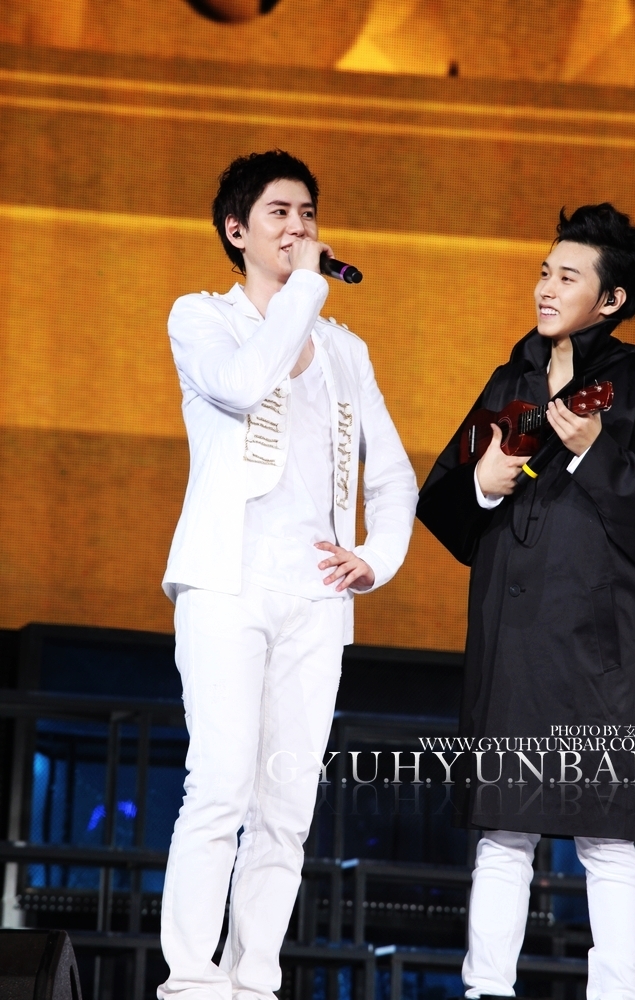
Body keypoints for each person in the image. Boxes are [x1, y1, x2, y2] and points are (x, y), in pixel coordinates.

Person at [157, 150, 417, 1000]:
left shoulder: (345, 350)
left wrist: (376, 558)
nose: (298, 227)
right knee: (220, 787)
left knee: (286, 806)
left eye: (307, 213)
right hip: (227, 584)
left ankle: (253, 979)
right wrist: (305, 289)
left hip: (317, 598)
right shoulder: (203, 319)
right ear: (237, 231)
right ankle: (191, 978)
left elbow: (393, 475)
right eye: (279, 213)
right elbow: (243, 385)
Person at [417, 203, 635, 1000]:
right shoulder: (512, 378)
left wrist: (596, 454)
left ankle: (620, 992)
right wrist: (483, 486)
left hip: (596, 645)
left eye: (568, 276)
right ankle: (486, 989)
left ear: (612, 299)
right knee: (503, 831)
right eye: (544, 271)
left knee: (606, 839)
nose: (546, 288)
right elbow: (443, 503)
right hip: (510, 635)